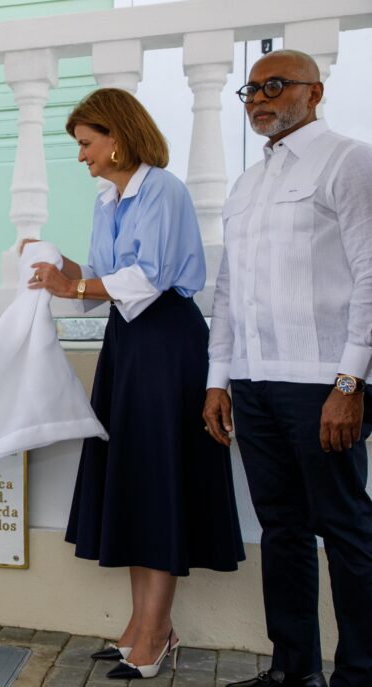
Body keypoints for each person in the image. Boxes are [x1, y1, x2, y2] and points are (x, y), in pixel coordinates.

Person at [26, 88, 245, 681]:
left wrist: (73, 287)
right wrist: (66, 271)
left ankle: (155, 633)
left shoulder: (165, 190)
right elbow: (107, 283)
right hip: (127, 344)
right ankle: (143, 626)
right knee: (135, 476)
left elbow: (145, 281)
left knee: (157, 478)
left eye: (86, 144)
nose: (82, 157)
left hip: (167, 343)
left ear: (116, 136)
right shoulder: (108, 200)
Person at [203, 50, 372, 687]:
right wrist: (219, 379)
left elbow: (370, 277)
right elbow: (226, 291)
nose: (258, 98)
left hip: (323, 382)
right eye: (251, 89)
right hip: (252, 379)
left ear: (315, 92)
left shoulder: (349, 161)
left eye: (276, 86)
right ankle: (291, 670)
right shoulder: (248, 184)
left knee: (348, 530)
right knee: (282, 529)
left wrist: (350, 383)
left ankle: (360, 673)